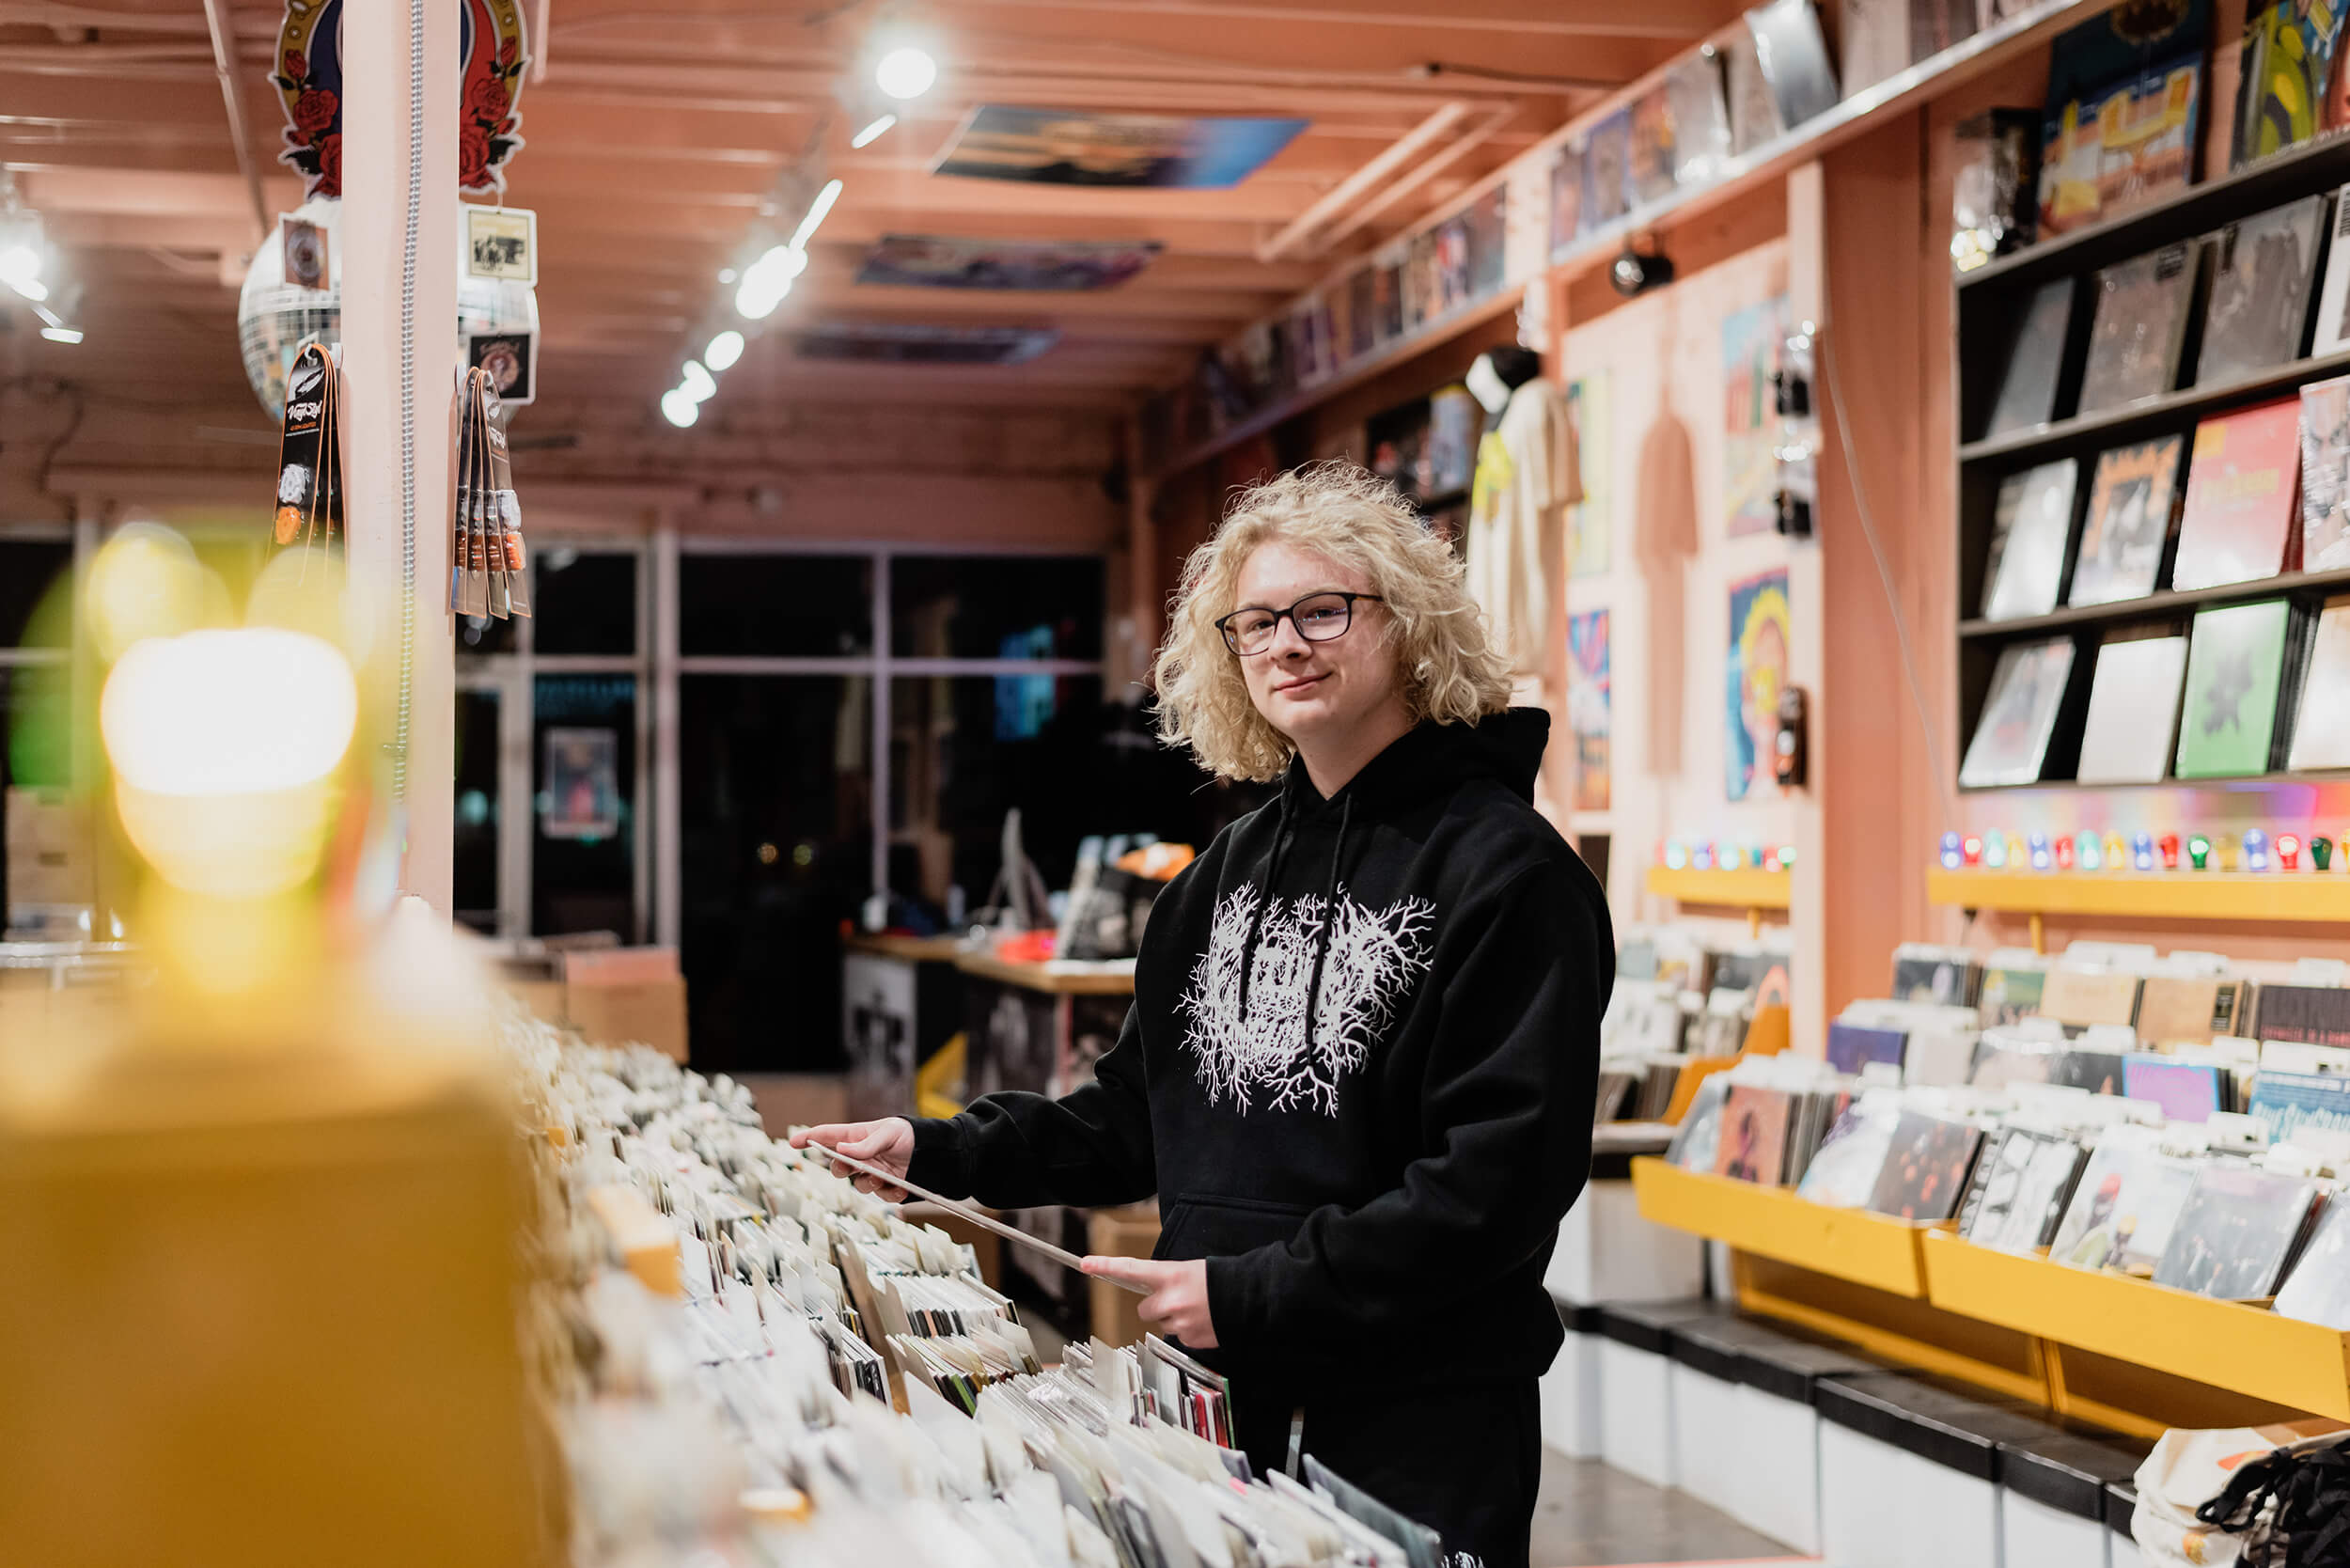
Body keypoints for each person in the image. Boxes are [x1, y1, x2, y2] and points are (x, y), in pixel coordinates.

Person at [796, 463, 1612, 1568]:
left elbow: (1497, 1187)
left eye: (1326, 610)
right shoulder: (1219, 875)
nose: (1289, 643)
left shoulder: (1509, 873)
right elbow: (1134, 1117)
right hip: (1217, 1411)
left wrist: (1256, 1293)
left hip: (1420, 1418)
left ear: (1409, 626)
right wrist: (932, 1151)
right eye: (1258, 621)